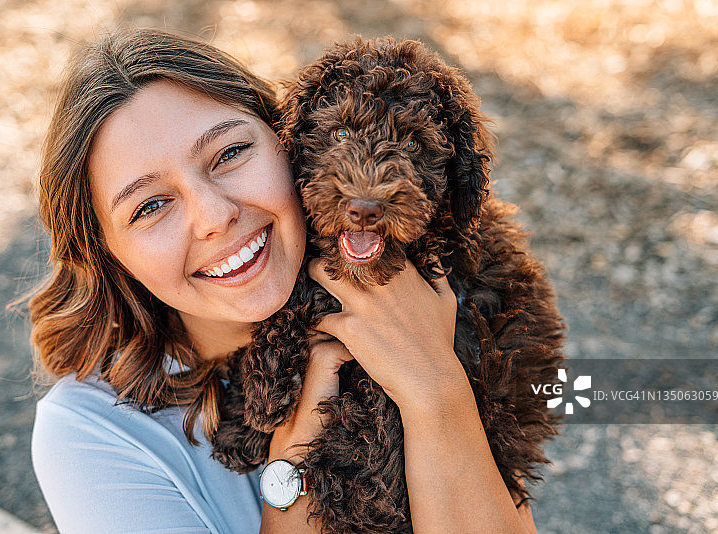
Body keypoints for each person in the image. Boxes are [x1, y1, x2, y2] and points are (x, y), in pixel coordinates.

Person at [29, 28, 538, 534]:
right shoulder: (89, 434)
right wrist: (290, 470)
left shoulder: (446, 302)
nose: (213, 216)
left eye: (229, 154)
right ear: (105, 254)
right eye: (150, 206)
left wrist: (438, 393)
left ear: (287, 142)